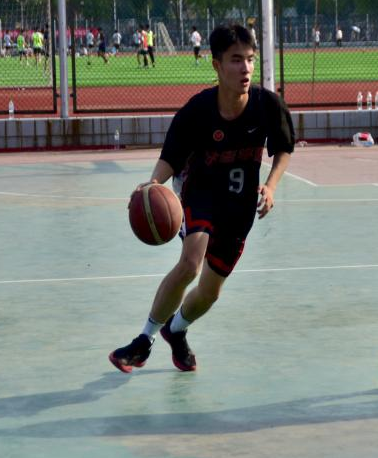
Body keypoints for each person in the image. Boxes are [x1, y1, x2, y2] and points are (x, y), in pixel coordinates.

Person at [108, 25, 295, 373]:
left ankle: (176, 330)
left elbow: (284, 148)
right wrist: (153, 183)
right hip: (200, 195)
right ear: (217, 65)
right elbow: (171, 156)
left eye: (250, 59)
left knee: (210, 292)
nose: (245, 68)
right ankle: (144, 340)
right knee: (190, 264)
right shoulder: (197, 111)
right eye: (236, 60)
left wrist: (270, 186)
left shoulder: (267, 105)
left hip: (239, 208)